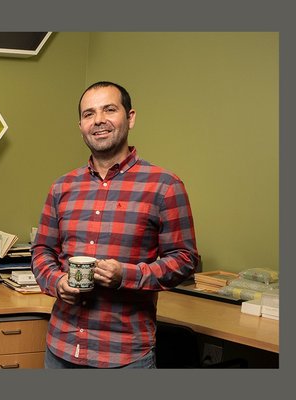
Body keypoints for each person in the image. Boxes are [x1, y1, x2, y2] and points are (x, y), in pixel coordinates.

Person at [31, 81, 200, 369]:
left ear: (130, 117)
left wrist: (126, 276)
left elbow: (185, 260)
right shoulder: (62, 187)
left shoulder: (165, 186)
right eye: (89, 114)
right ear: (81, 125)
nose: (98, 120)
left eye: (109, 109)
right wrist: (57, 282)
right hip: (61, 349)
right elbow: (42, 250)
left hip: (125, 356)